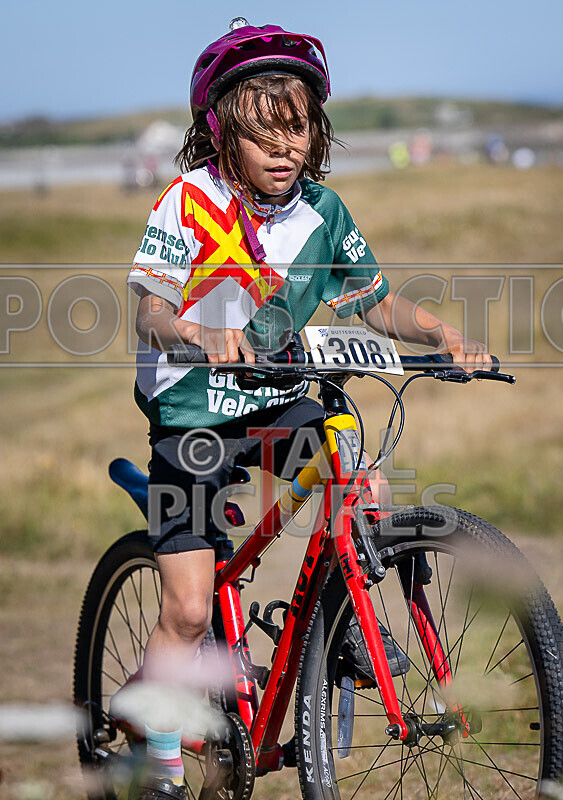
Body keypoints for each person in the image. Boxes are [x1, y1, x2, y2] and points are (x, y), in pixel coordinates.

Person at [125, 19, 491, 800]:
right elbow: (148, 312)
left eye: (298, 130)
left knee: (357, 467)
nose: (285, 149)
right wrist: (197, 329)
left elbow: (378, 304)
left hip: (278, 405)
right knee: (189, 611)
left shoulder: (324, 212)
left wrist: (445, 335)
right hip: (190, 419)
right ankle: (156, 747)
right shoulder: (187, 202)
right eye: (264, 135)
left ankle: (354, 614)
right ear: (221, 135)